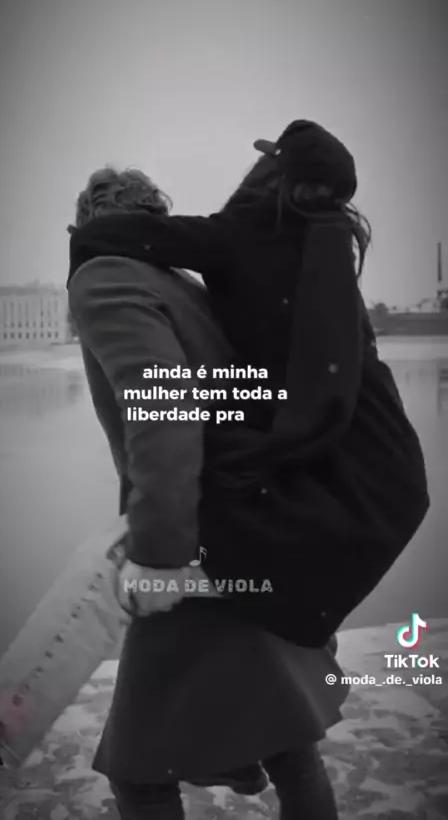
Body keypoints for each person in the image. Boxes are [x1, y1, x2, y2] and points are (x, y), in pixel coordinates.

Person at [67, 121, 429, 649]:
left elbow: (166, 412)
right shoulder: (310, 245)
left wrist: (159, 554)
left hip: (217, 551)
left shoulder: (127, 272)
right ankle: (299, 619)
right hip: (354, 460)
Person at [67, 164, 351, 820]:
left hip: (195, 547)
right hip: (253, 529)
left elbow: (165, 411)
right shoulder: (180, 281)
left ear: (85, 225)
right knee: (286, 736)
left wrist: (159, 556)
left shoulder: (104, 277)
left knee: (139, 769)